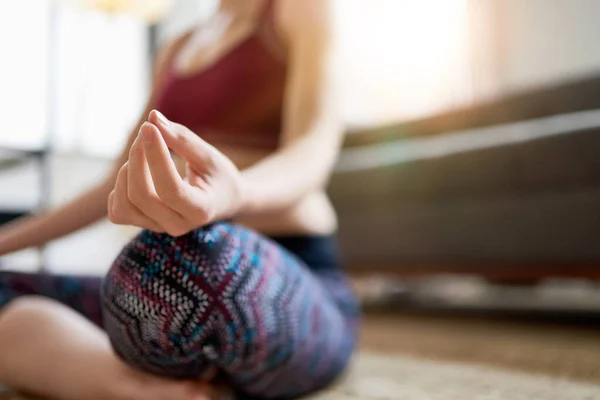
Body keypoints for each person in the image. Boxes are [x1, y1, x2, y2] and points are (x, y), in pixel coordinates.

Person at [0, 0, 359, 399]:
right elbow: (109, 189)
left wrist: (236, 193)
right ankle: (148, 391)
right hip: (172, 283)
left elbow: (312, 153)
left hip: (288, 280)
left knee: (176, 266)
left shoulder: (299, 10)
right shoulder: (178, 46)